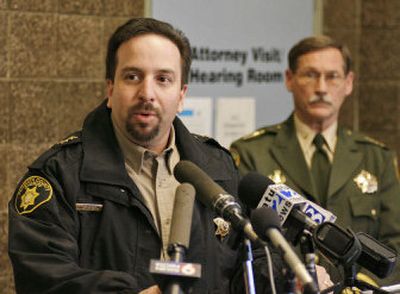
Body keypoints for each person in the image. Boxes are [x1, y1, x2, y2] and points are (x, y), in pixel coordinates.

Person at [8, 18, 242, 294]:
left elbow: (245, 260)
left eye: (163, 79)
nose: (147, 93)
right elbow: (42, 278)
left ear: (181, 96)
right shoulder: (59, 174)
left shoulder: (218, 167)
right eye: (132, 77)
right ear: (110, 88)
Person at [230, 35, 400, 286]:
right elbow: (242, 243)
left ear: (349, 83)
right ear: (290, 79)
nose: (321, 87)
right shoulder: (251, 153)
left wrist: (354, 287)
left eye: (332, 76)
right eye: (310, 75)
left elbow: (395, 244)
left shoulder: (377, 158)